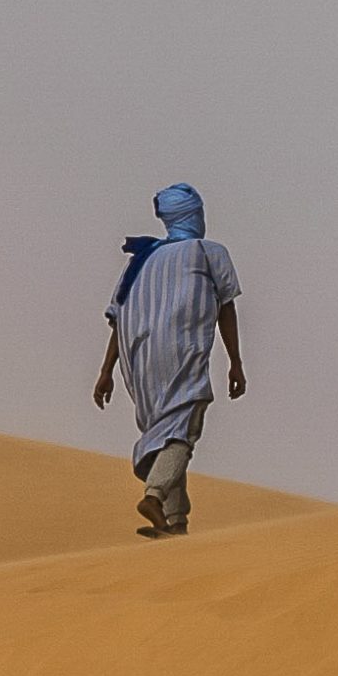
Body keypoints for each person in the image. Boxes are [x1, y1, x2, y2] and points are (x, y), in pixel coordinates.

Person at [93, 181, 246, 535]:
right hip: (181, 354)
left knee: (164, 434)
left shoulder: (142, 261)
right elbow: (227, 307)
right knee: (183, 429)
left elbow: (117, 319)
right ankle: (155, 495)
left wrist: (106, 372)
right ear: (195, 215)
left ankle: (176, 524)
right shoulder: (208, 252)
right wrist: (235, 362)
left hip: (140, 364)